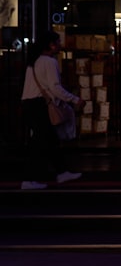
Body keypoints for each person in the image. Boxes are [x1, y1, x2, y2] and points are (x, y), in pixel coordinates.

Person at [20, 31, 85, 189]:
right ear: (51, 45)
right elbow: (55, 87)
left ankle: (61, 172)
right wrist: (74, 99)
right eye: (58, 42)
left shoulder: (34, 61)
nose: (60, 44)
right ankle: (29, 179)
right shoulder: (49, 62)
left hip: (29, 104)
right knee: (41, 142)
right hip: (39, 105)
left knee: (49, 140)